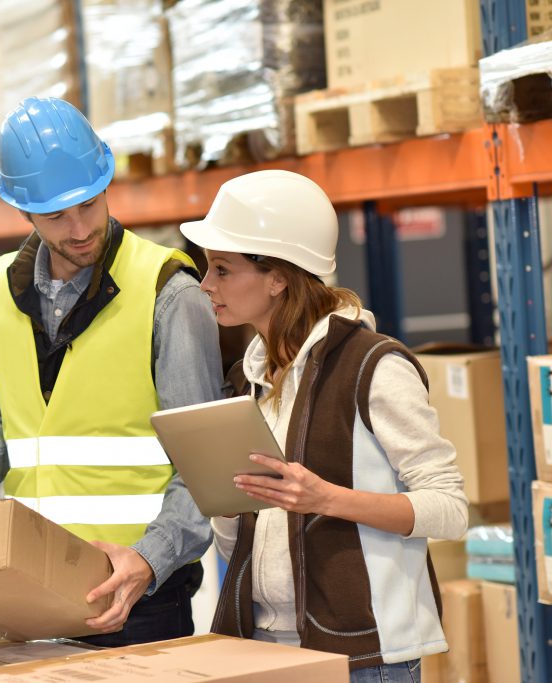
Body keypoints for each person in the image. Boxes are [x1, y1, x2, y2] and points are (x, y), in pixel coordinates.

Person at [0, 96, 223, 646]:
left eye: (90, 205)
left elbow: (206, 470)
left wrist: (148, 559)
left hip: (135, 600)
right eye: (56, 216)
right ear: (23, 212)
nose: (79, 229)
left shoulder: (169, 293)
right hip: (24, 589)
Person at [179, 170, 468, 681]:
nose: (206, 285)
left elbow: (448, 509)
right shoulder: (246, 377)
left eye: (223, 269)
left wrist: (327, 499)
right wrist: (224, 501)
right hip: (261, 645)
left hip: (363, 657)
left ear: (278, 277)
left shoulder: (374, 368)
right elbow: (244, 530)